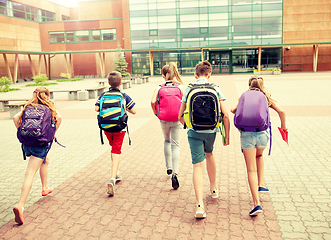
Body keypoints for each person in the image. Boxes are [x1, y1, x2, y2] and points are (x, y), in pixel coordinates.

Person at [178, 60, 230, 218]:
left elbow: (179, 116)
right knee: (210, 154)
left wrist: (188, 126)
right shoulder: (215, 88)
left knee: (197, 166)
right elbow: (226, 115)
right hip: (212, 131)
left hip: (194, 131)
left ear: (195, 75)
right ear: (209, 74)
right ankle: (214, 189)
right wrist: (226, 136)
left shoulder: (189, 88)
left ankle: (199, 205)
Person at [230, 76, 287, 216]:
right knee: (260, 155)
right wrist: (283, 127)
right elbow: (282, 111)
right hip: (262, 135)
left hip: (247, 135)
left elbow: (232, 110)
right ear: (262, 85)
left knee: (251, 170)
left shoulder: (244, 96)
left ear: (249, 84)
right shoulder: (266, 97)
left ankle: (256, 204)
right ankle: (261, 184)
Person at [12, 87, 62, 225]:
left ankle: (45, 187)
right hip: (41, 144)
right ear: (46, 96)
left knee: (45, 160)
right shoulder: (49, 107)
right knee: (30, 174)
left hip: (27, 144)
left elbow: (15, 118)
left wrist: (20, 131)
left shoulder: (28, 106)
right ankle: (20, 205)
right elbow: (59, 118)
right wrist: (54, 132)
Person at [95, 71, 136, 196]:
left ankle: (116, 171)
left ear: (108, 83)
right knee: (116, 150)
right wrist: (125, 108)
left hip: (106, 127)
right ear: (120, 83)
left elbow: (96, 108)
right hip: (119, 127)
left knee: (113, 149)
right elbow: (134, 111)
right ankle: (112, 178)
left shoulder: (103, 95)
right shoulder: (123, 95)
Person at [151, 62, 184, 189]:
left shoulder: (158, 88)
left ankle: (168, 167)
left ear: (163, 75)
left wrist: (156, 113)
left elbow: (153, 101)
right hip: (176, 119)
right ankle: (175, 173)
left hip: (163, 119)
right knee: (175, 145)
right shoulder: (181, 87)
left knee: (166, 140)